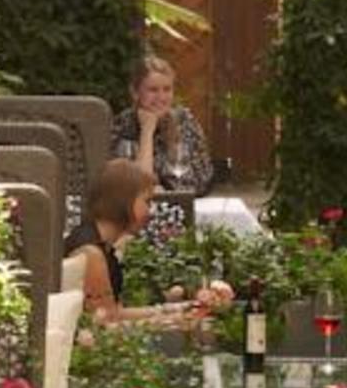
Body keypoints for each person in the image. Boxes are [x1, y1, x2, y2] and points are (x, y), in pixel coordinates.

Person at [63, 159, 227, 326]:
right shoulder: (91, 253)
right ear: (124, 201)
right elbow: (105, 322)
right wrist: (172, 320)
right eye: (147, 202)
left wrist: (182, 309)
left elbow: (114, 311)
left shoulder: (101, 245)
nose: (151, 211)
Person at [109, 55, 215, 195]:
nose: (161, 97)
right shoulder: (122, 125)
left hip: (182, 206)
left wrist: (162, 187)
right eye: (153, 90)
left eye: (167, 89)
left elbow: (201, 180)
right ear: (135, 93)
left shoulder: (184, 121)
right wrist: (147, 131)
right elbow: (131, 188)